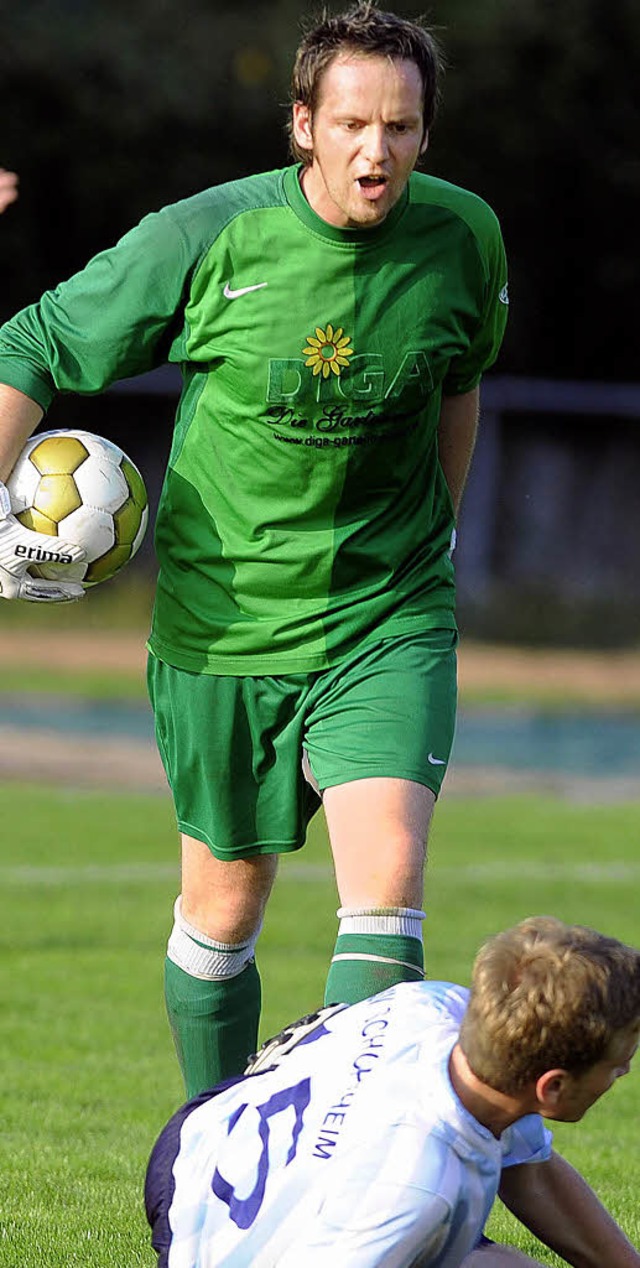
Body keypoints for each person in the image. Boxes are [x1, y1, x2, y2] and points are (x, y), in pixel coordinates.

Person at [0, 3, 509, 1097]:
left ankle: (346, 1195)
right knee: (223, 910)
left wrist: (441, 534)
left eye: (404, 128)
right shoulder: (205, 236)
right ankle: (210, 1149)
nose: (379, 152)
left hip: (389, 612)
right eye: (354, 124)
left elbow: (459, 383)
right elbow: (34, 339)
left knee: (386, 900)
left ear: (427, 132)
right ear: (303, 126)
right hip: (222, 627)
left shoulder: (464, 235)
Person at [144, 916, 640, 1266]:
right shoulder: (415, 1190)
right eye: (618, 1065)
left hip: (216, 1126)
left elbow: (531, 1172)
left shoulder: (442, 1007)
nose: (625, 1073)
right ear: (550, 1088)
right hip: (201, 1218)